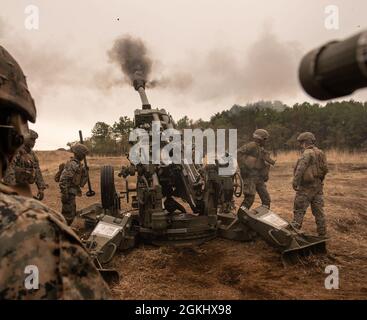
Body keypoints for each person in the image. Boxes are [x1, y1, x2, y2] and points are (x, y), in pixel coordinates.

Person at [0, 45, 110, 299]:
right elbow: (65, 180)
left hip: (30, 191)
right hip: (55, 194)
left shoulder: (38, 161)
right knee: (68, 213)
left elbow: (39, 172)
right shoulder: (33, 230)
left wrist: (39, 187)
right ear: (13, 136)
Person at [292, 132, 328, 237]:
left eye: (301, 142)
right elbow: (325, 169)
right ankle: (322, 234)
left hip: (306, 187)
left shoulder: (307, 153)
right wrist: (320, 181)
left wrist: (295, 182)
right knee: (319, 212)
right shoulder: (321, 152)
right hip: (318, 186)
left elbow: (300, 169)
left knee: (299, 210)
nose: (300, 145)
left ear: (305, 142)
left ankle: (293, 234)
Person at [3, 129, 47, 200]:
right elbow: (9, 169)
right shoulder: (16, 151)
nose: (34, 142)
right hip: (15, 186)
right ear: (25, 139)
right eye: (32, 139)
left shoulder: (33, 155)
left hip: (25, 187)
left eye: (35, 140)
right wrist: (13, 189)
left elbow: (37, 171)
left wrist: (41, 188)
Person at [238, 129, 275, 209]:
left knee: (266, 200)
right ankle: (241, 216)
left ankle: (262, 216)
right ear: (259, 139)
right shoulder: (252, 145)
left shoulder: (261, 149)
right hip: (250, 177)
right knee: (249, 199)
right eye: (265, 139)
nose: (266, 141)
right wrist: (244, 168)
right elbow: (239, 153)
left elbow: (264, 163)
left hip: (259, 177)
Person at [58, 143, 89, 226]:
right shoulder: (72, 164)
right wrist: (65, 194)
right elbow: (63, 180)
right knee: (68, 216)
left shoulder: (78, 165)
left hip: (72, 192)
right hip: (68, 193)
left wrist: (85, 173)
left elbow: (81, 183)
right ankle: (61, 231)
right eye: (83, 154)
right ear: (79, 154)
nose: (84, 156)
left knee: (71, 214)